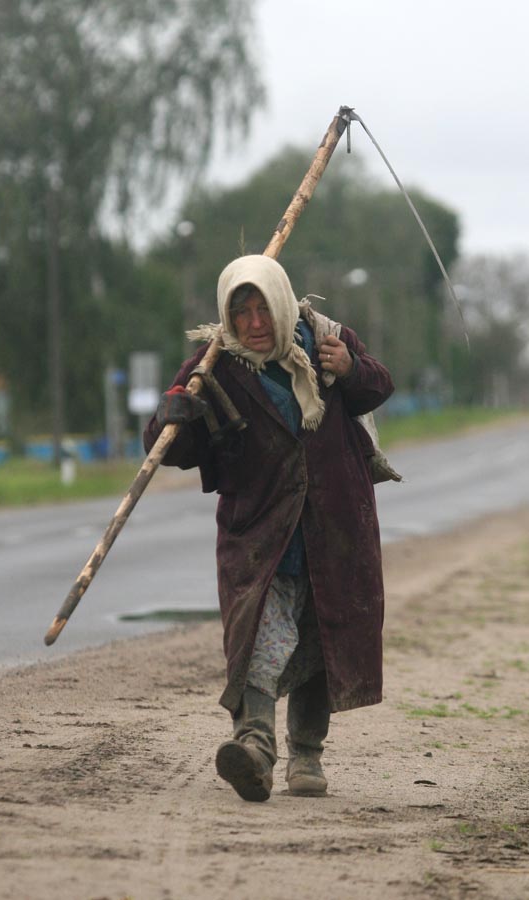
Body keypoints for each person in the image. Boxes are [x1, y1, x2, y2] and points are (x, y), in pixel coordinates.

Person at [143, 254, 395, 803]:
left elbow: (378, 388)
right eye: (241, 314)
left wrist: (352, 368)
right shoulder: (213, 368)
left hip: (335, 527)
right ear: (227, 320)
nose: (254, 324)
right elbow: (171, 447)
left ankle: (307, 755)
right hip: (260, 534)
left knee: (322, 639)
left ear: (282, 306)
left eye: (263, 309)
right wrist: (173, 415)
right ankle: (253, 748)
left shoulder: (328, 341)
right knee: (259, 636)